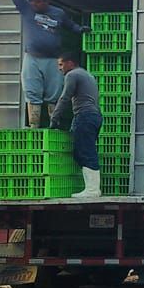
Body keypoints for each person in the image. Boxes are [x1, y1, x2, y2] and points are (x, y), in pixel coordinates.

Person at [8, 0, 90, 128]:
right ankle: (34, 127)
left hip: (53, 59)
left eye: (38, 0)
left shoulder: (58, 13)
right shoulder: (26, 9)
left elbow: (70, 25)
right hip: (32, 57)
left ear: (46, 0)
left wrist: (81, 29)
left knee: (54, 94)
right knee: (32, 93)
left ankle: (53, 125)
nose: (34, 3)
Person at [50, 52, 102, 198]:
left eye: (61, 64)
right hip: (94, 116)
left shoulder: (72, 75)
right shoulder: (87, 75)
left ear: (70, 63)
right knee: (82, 151)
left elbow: (65, 97)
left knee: (86, 151)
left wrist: (54, 118)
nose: (60, 68)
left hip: (85, 116)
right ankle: (92, 188)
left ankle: (92, 190)